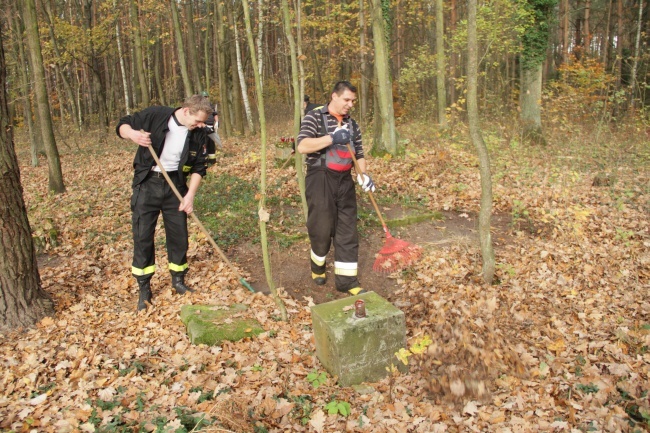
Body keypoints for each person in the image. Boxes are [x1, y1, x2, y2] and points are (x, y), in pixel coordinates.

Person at [116, 94, 213, 311]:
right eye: (197, 121)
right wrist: (133, 135)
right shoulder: (155, 115)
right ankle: (144, 287)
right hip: (147, 184)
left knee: (179, 235)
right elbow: (122, 125)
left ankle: (178, 279)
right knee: (143, 236)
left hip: (175, 187)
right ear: (186, 110)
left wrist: (189, 196)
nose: (200, 125)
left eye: (202, 122)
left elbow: (199, 168)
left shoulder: (198, 133)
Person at [297, 81, 376, 296]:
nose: (350, 104)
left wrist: (363, 175)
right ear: (334, 96)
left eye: (353, 101)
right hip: (320, 178)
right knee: (321, 228)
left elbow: (359, 153)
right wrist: (332, 138)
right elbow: (302, 145)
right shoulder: (314, 117)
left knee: (347, 230)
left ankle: (347, 282)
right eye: (346, 100)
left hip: (345, 181)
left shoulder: (352, 124)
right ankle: (317, 265)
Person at [200, 92, 222, 166]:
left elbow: (215, 114)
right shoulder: (199, 106)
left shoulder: (211, 105)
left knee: (211, 144)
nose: (205, 98)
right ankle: (204, 161)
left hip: (211, 127)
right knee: (204, 144)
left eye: (206, 97)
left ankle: (212, 161)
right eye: (204, 97)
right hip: (203, 128)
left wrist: (217, 122)